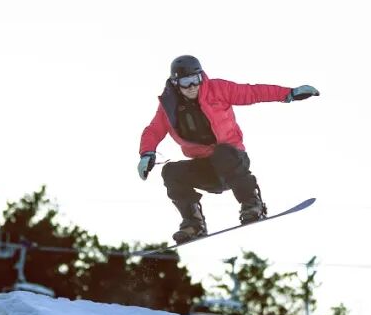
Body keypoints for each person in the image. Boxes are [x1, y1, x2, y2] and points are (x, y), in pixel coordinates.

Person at [137, 55, 320, 244]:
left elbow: (253, 92)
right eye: (186, 82)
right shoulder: (169, 106)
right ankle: (193, 223)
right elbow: (154, 130)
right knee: (171, 171)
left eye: (196, 79)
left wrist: (288, 94)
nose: (192, 86)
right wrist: (146, 153)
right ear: (176, 83)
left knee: (222, 153)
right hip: (207, 169)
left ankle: (251, 204)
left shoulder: (218, 89)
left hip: (233, 161)